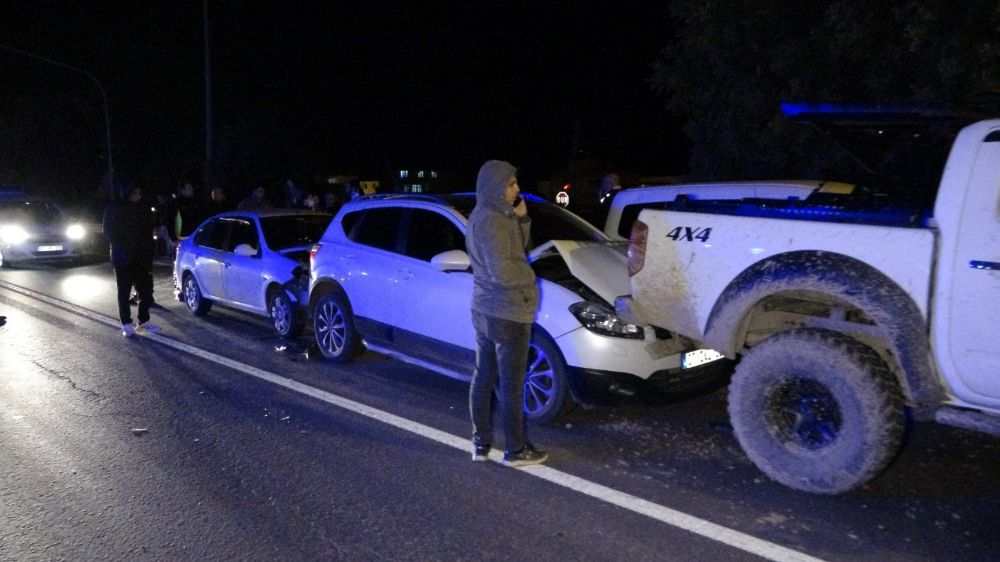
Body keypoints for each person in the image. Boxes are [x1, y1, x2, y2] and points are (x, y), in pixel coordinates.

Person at [465, 159, 547, 467]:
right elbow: (506, 271)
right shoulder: (493, 220)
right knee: (511, 383)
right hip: (507, 311)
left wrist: (522, 220)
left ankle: (481, 444)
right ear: (497, 187)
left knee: (484, 376)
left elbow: (516, 250)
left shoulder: (489, 215)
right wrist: (532, 279)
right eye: (511, 184)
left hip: (486, 307)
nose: (517, 188)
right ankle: (515, 449)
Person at [102, 184, 160, 338]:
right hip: (123, 256)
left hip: (142, 255)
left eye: (139, 194)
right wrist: (123, 245)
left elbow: (149, 229)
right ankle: (126, 323)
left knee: (145, 290)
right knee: (124, 291)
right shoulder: (114, 208)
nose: (138, 197)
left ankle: (143, 321)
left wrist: (149, 248)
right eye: (135, 194)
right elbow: (107, 231)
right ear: (127, 194)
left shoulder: (142, 207)